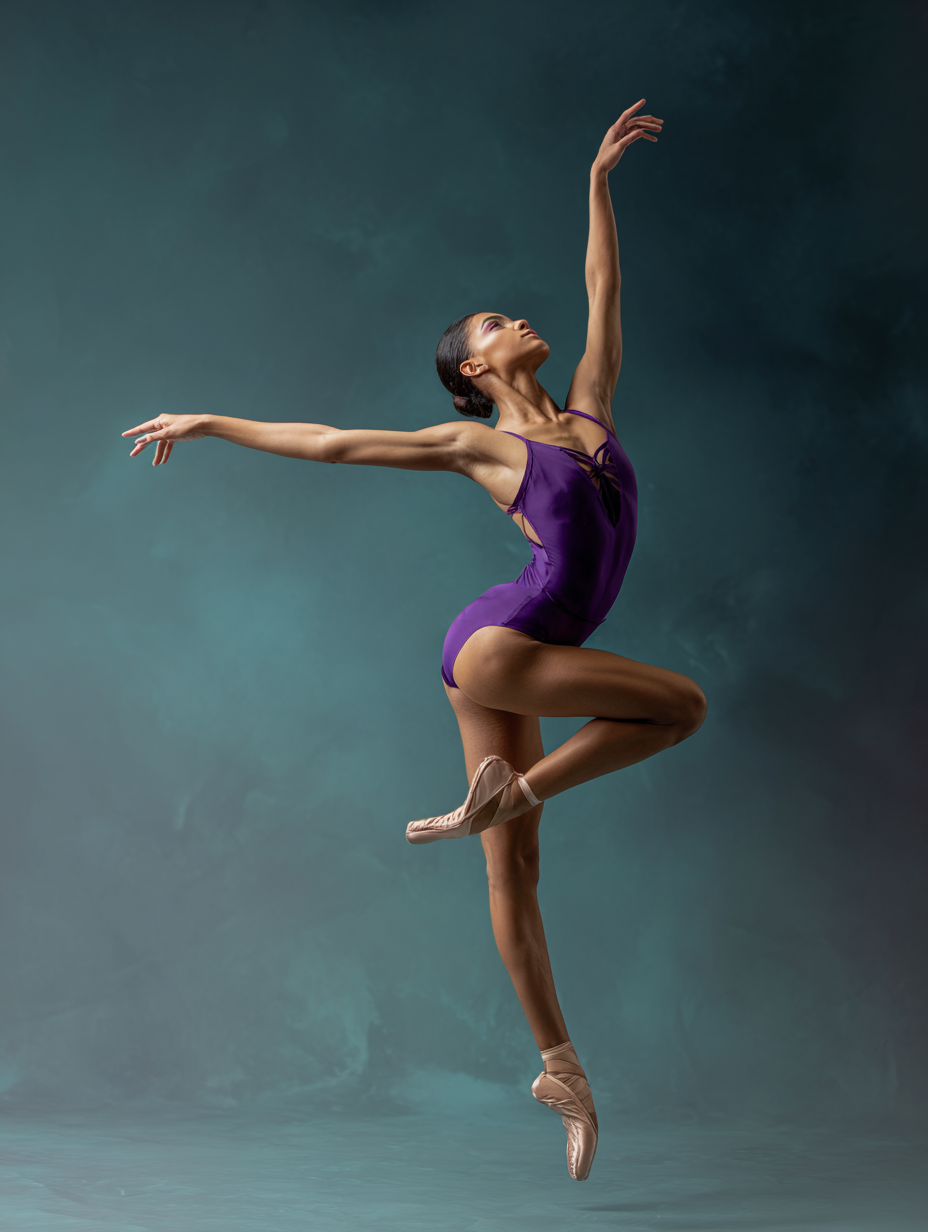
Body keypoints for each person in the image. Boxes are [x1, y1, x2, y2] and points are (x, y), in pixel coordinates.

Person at [122, 100, 705, 1181]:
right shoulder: (476, 447)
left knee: (514, 865)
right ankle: (513, 795)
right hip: (499, 642)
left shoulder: (591, 409)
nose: (514, 320)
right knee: (681, 707)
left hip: (508, 655)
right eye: (490, 324)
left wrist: (596, 182)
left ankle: (559, 1068)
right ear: (471, 372)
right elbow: (333, 442)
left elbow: (602, 290)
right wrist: (207, 421)